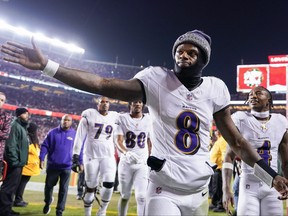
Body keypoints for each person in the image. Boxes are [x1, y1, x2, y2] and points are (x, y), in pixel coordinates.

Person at [1, 30, 288, 216]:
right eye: (180, 50)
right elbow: (104, 83)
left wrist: (270, 175)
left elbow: (237, 142)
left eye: (192, 52)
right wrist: (49, 67)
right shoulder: (156, 79)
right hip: (164, 186)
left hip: (198, 190)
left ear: (204, 59)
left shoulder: (216, 88)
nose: (183, 54)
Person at [222, 86, 288, 216]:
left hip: (273, 186)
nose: (252, 96)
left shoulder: (280, 121)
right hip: (248, 185)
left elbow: (286, 161)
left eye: (258, 93)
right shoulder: (240, 119)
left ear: (268, 99)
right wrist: (226, 188)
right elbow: (228, 157)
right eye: (250, 94)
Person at [72, 96, 119, 216]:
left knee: (109, 185)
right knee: (90, 188)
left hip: (108, 156)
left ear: (110, 104)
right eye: (101, 102)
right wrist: (75, 156)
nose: (104, 104)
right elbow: (79, 136)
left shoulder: (115, 116)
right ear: (97, 104)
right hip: (91, 156)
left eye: (107, 102)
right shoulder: (89, 115)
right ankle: (87, 213)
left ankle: (102, 210)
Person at [116, 100, 152, 216]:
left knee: (142, 197)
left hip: (142, 163)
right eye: (135, 102)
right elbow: (118, 141)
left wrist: (150, 157)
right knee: (125, 195)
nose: (138, 104)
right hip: (126, 162)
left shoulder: (148, 119)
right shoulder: (122, 118)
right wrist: (126, 153)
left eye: (140, 102)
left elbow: (150, 141)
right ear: (130, 104)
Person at [39, 114, 76, 216]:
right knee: (48, 187)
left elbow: (79, 149)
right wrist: (42, 158)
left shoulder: (74, 134)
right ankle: (47, 202)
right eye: (64, 120)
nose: (66, 122)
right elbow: (45, 146)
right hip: (53, 166)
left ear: (71, 122)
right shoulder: (52, 132)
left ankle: (59, 211)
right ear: (61, 120)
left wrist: (80, 161)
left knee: (63, 190)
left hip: (67, 167)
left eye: (68, 120)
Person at [0, 107, 29, 216]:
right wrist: (14, 161)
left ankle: (7, 208)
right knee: (8, 187)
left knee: (13, 187)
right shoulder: (15, 126)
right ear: (19, 114)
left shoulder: (21, 126)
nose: (27, 115)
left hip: (19, 162)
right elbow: (10, 145)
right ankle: (3, 211)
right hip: (15, 162)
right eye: (25, 113)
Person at [13, 121, 41, 207]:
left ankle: (18, 199)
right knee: (20, 184)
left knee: (21, 184)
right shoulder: (28, 139)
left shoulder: (32, 139)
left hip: (29, 166)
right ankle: (16, 200)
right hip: (26, 166)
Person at [209, 129, 227, 212]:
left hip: (220, 168)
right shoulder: (219, 139)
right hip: (214, 168)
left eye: (217, 130)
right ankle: (215, 203)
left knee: (219, 188)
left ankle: (221, 206)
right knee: (215, 188)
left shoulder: (223, 140)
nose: (215, 132)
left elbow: (224, 154)